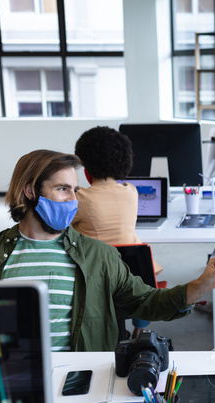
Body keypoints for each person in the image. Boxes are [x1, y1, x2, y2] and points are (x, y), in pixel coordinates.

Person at [0, 150, 215, 351]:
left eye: (75, 190)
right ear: (29, 191)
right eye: (62, 189)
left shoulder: (100, 256)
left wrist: (200, 285)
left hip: (80, 382)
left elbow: (147, 302)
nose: (74, 200)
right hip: (11, 384)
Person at [71, 126, 158, 338]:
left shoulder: (80, 198)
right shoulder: (131, 191)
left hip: (98, 278)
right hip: (137, 273)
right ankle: (139, 327)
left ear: (86, 170)